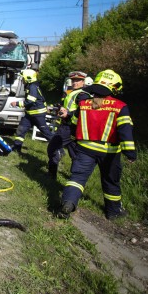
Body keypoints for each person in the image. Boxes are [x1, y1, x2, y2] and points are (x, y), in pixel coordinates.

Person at [59, 69, 136, 220]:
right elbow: (125, 131)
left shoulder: (86, 104)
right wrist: (130, 152)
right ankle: (113, 212)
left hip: (85, 149)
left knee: (78, 178)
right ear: (114, 87)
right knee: (110, 181)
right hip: (110, 152)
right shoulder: (120, 106)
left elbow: (74, 123)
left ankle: (68, 203)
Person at [46, 71, 92, 178]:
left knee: (52, 148)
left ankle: (52, 174)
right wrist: (57, 109)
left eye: (78, 80)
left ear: (83, 82)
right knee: (75, 153)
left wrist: (68, 114)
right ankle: (75, 177)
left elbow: (83, 112)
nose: (75, 82)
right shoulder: (73, 92)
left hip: (69, 127)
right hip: (70, 127)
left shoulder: (83, 95)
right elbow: (67, 107)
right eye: (73, 80)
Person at [10, 68, 54, 154]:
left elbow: (30, 101)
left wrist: (17, 103)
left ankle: (58, 148)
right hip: (29, 114)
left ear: (28, 78)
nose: (22, 80)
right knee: (21, 130)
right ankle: (17, 147)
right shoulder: (31, 86)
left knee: (46, 133)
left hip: (37, 114)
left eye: (23, 78)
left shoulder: (32, 87)